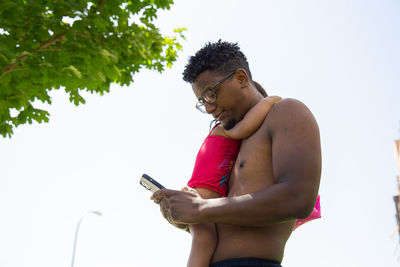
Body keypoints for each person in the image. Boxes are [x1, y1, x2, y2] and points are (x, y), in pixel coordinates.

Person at [152, 41, 322, 267]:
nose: (209, 108)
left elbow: (298, 198)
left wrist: (201, 209)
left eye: (211, 94)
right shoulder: (228, 140)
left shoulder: (287, 112)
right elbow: (221, 216)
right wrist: (186, 216)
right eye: (203, 102)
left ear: (241, 79)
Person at [186, 95, 282, 267]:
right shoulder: (225, 130)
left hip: (206, 186)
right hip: (206, 186)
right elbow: (246, 127)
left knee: (204, 236)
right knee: (204, 237)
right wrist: (269, 101)